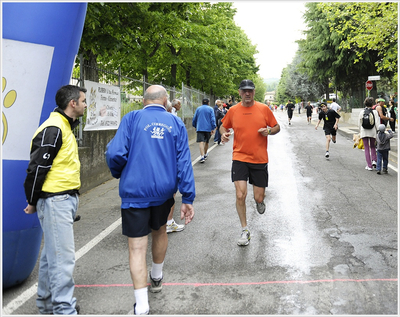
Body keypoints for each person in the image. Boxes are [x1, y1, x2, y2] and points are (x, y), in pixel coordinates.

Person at [106, 85, 195, 315]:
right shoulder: (175, 123)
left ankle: (142, 305)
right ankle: (156, 276)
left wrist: (120, 172)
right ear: (165, 101)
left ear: (144, 101)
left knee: (136, 247)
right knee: (160, 231)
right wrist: (188, 197)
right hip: (163, 192)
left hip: (134, 192)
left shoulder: (131, 118)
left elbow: (115, 153)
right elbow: (184, 161)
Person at [23, 85, 87, 315]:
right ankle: (64, 309)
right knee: (63, 259)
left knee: (53, 256)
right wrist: (32, 200)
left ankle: (47, 304)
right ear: (73, 104)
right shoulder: (55, 128)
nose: (85, 105)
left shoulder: (63, 127)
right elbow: (37, 168)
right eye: (83, 101)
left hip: (61, 199)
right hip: (56, 200)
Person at [220, 79, 280, 247]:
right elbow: (223, 126)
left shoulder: (263, 109)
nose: (247, 93)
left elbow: (276, 127)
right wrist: (224, 134)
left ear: (254, 92)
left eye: (250, 90)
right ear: (239, 92)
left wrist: (268, 131)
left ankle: (259, 201)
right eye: (244, 90)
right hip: (239, 157)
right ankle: (245, 230)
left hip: (260, 159)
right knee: (240, 195)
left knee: (258, 196)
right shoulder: (233, 111)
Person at [166, 98, 185, 233]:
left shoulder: (136, 119)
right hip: (168, 161)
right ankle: (168, 222)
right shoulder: (171, 119)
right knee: (171, 192)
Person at [358, 96, 380, 170]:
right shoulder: (375, 112)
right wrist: (378, 131)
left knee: (366, 148)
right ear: (372, 104)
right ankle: (374, 160)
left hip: (364, 132)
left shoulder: (362, 112)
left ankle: (369, 165)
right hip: (372, 131)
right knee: (373, 146)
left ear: (365, 104)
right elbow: (377, 123)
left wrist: (360, 132)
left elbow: (359, 123)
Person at [192, 98, 216, 163]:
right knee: (207, 142)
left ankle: (202, 156)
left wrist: (195, 126)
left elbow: (194, 118)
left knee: (201, 142)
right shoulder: (211, 109)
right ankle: (205, 154)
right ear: (208, 103)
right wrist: (213, 127)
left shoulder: (198, 109)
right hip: (208, 128)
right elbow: (213, 119)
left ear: (202, 103)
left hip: (200, 127)